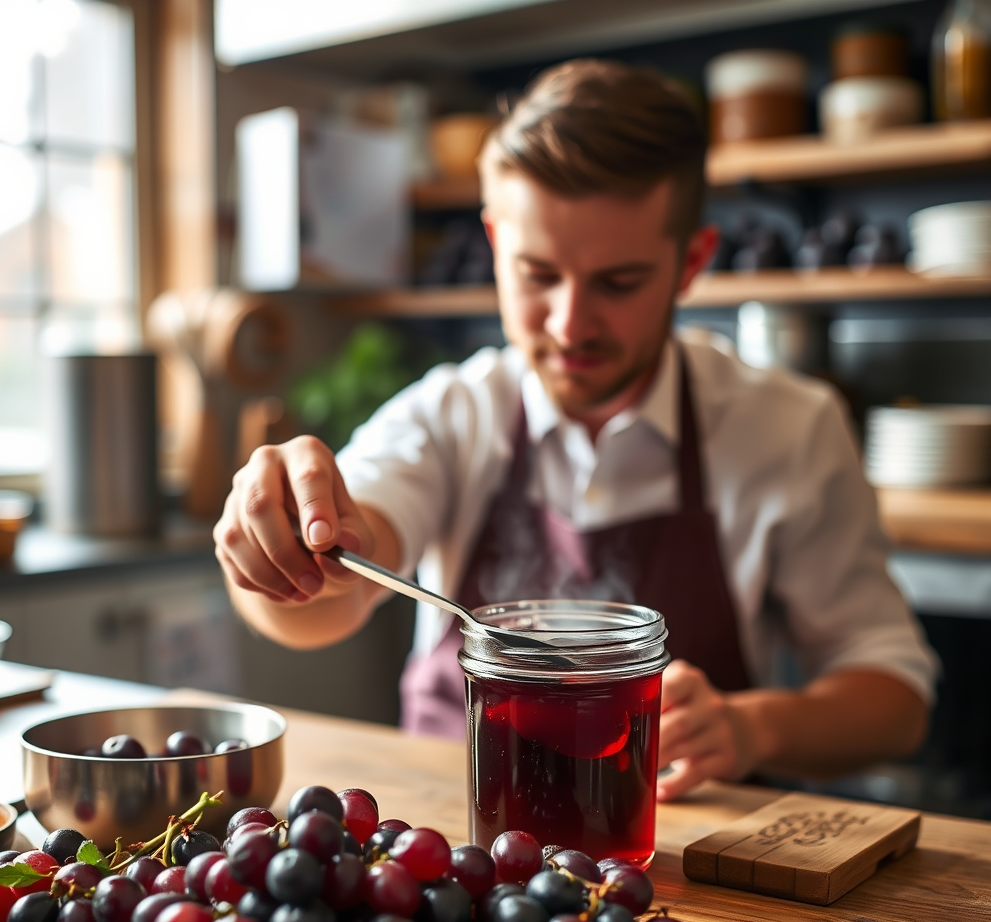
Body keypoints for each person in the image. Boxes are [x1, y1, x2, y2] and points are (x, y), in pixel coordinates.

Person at [214, 60, 935, 803]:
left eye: (618, 282)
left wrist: (752, 728)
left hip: (670, 852)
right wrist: (284, 557)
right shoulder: (452, 416)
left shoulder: (788, 429)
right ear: (496, 245)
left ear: (691, 264)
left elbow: (895, 699)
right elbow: (329, 596)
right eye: (536, 274)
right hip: (454, 844)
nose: (569, 324)